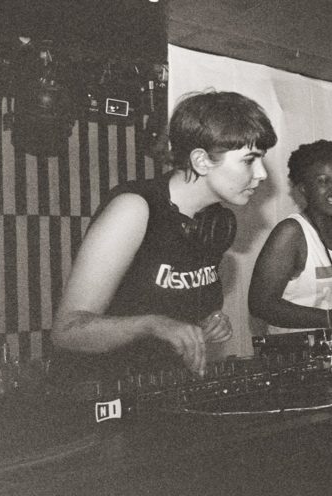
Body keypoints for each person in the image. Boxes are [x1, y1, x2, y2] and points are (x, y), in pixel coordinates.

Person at [51, 90, 278, 381]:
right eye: (249, 160)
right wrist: (153, 325)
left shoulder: (215, 222)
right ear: (201, 161)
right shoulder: (134, 209)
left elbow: (172, 308)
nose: (261, 174)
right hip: (98, 389)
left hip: (159, 385)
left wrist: (207, 324)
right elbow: (67, 331)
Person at [249, 139, 332, 333]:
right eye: (324, 181)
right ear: (304, 189)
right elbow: (260, 305)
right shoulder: (291, 232)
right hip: (297, 350)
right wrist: (329, 318)